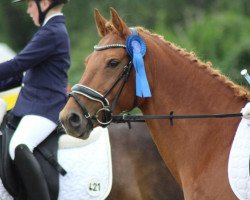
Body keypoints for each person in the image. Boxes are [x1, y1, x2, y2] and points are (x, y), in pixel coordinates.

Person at [0, 0, 70, 199]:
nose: (28, 10)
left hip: (46, 107)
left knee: (19, 146)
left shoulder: (52, 33)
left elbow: (17, 64)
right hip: (33, 105)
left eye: (30, 4)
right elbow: (21, 76)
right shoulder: (48, 31)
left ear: (45, 3)